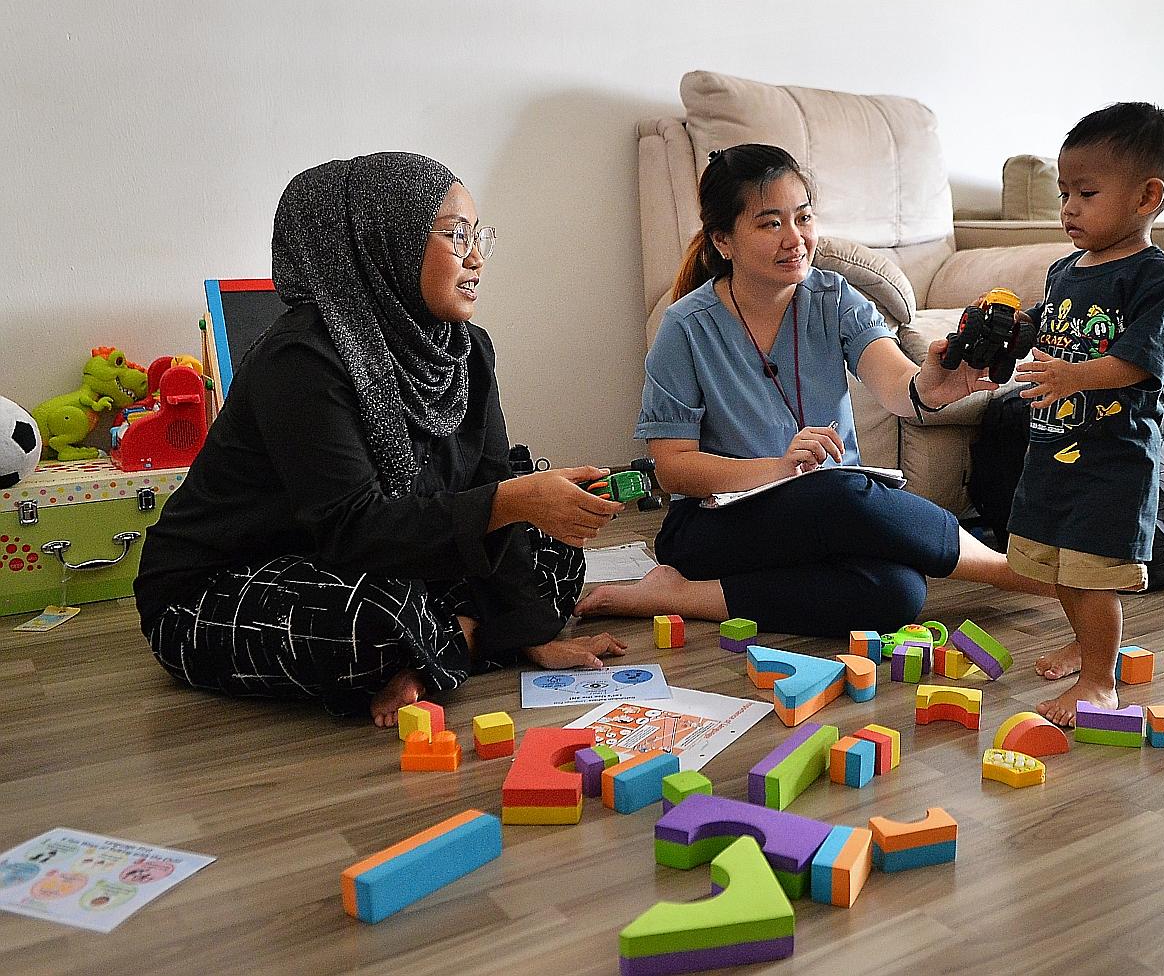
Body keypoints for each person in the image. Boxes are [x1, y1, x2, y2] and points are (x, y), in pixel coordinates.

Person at [135, 152, 628, 728]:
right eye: (453, 236)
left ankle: (441, 644)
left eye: (479, 238)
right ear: (381, 240)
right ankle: (461, 637)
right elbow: (351, 529)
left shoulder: (466, 350)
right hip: (231, 582)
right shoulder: (301, 358)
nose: (475, 259)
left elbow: (489, 482)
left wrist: (534, 624)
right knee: (368, 624)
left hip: (371, 560)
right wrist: (510, 507)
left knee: (553, 550)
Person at [576, 143, 1055, 638]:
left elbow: (896, 383)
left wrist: (932, 385)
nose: (795, 239)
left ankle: (684, 596)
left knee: (899, 593)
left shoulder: (835, 298)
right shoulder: (686, 326)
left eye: (803, 217)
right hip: (716, 524)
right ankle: (1012, 571)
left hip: (823, 515)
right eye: (770, 224)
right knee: (842, 490)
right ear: (723, 240)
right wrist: (780, 471)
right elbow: (673, 466)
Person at [1009, 103, 1164, 726]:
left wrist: (1070, 377)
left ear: (1146, 196)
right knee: (1056, 561)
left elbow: (1140, 363)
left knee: (1092, 573)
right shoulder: (1064, 271)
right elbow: (1049, 327)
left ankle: (1098, 680)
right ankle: (1085, 644)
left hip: (1113, 457)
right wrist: (1009, 328)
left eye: (1086, 193)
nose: (1069, 208)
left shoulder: (1152, 277)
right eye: (1064, 192)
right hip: (1052, 446)